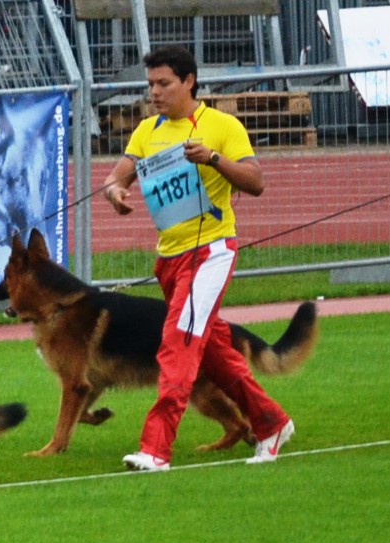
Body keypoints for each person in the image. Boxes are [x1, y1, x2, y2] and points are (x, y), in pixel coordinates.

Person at [103, 45, 294, 471]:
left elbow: (256, 182)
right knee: (213, 354)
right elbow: (116, 177)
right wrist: (115, 192)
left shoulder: (222, 126)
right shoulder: (147, 131)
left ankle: (156, 448)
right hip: (169, 261)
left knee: (178, 344)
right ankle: (272, 422)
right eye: (150, 84)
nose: (155, 92)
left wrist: (213, 158)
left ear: (189, 81)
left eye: (164, 83)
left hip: (210, 254)